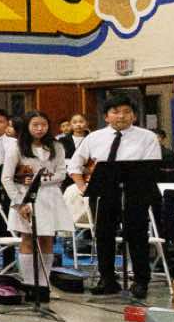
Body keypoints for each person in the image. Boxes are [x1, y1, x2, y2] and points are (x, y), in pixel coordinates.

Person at [66, 94, 163, 298]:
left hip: (135, 192)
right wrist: (82, 187)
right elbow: (74, 165)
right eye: (115, 112)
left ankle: (141, 280)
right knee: (104, 236)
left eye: (127, 112)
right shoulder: (94, 137)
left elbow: (151, 167)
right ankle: (107, 279)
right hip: (104, 192)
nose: (121, 116)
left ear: (134, 116)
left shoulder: (147, 137)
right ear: (106, 116)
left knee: (137, 236)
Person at [5, 112, 72, 302]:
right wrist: (19, 203)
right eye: (35, 125)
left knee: (47, 239)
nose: (40, 129)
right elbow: (7, 178)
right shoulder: (17, 147)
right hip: (25, 197)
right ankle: (29, 285)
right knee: (28, 238)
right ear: (27, 126)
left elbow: (61, 174)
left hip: (50, 196)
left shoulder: (57, 146)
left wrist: (38, 180)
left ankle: (43, 285)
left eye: (43, 125)